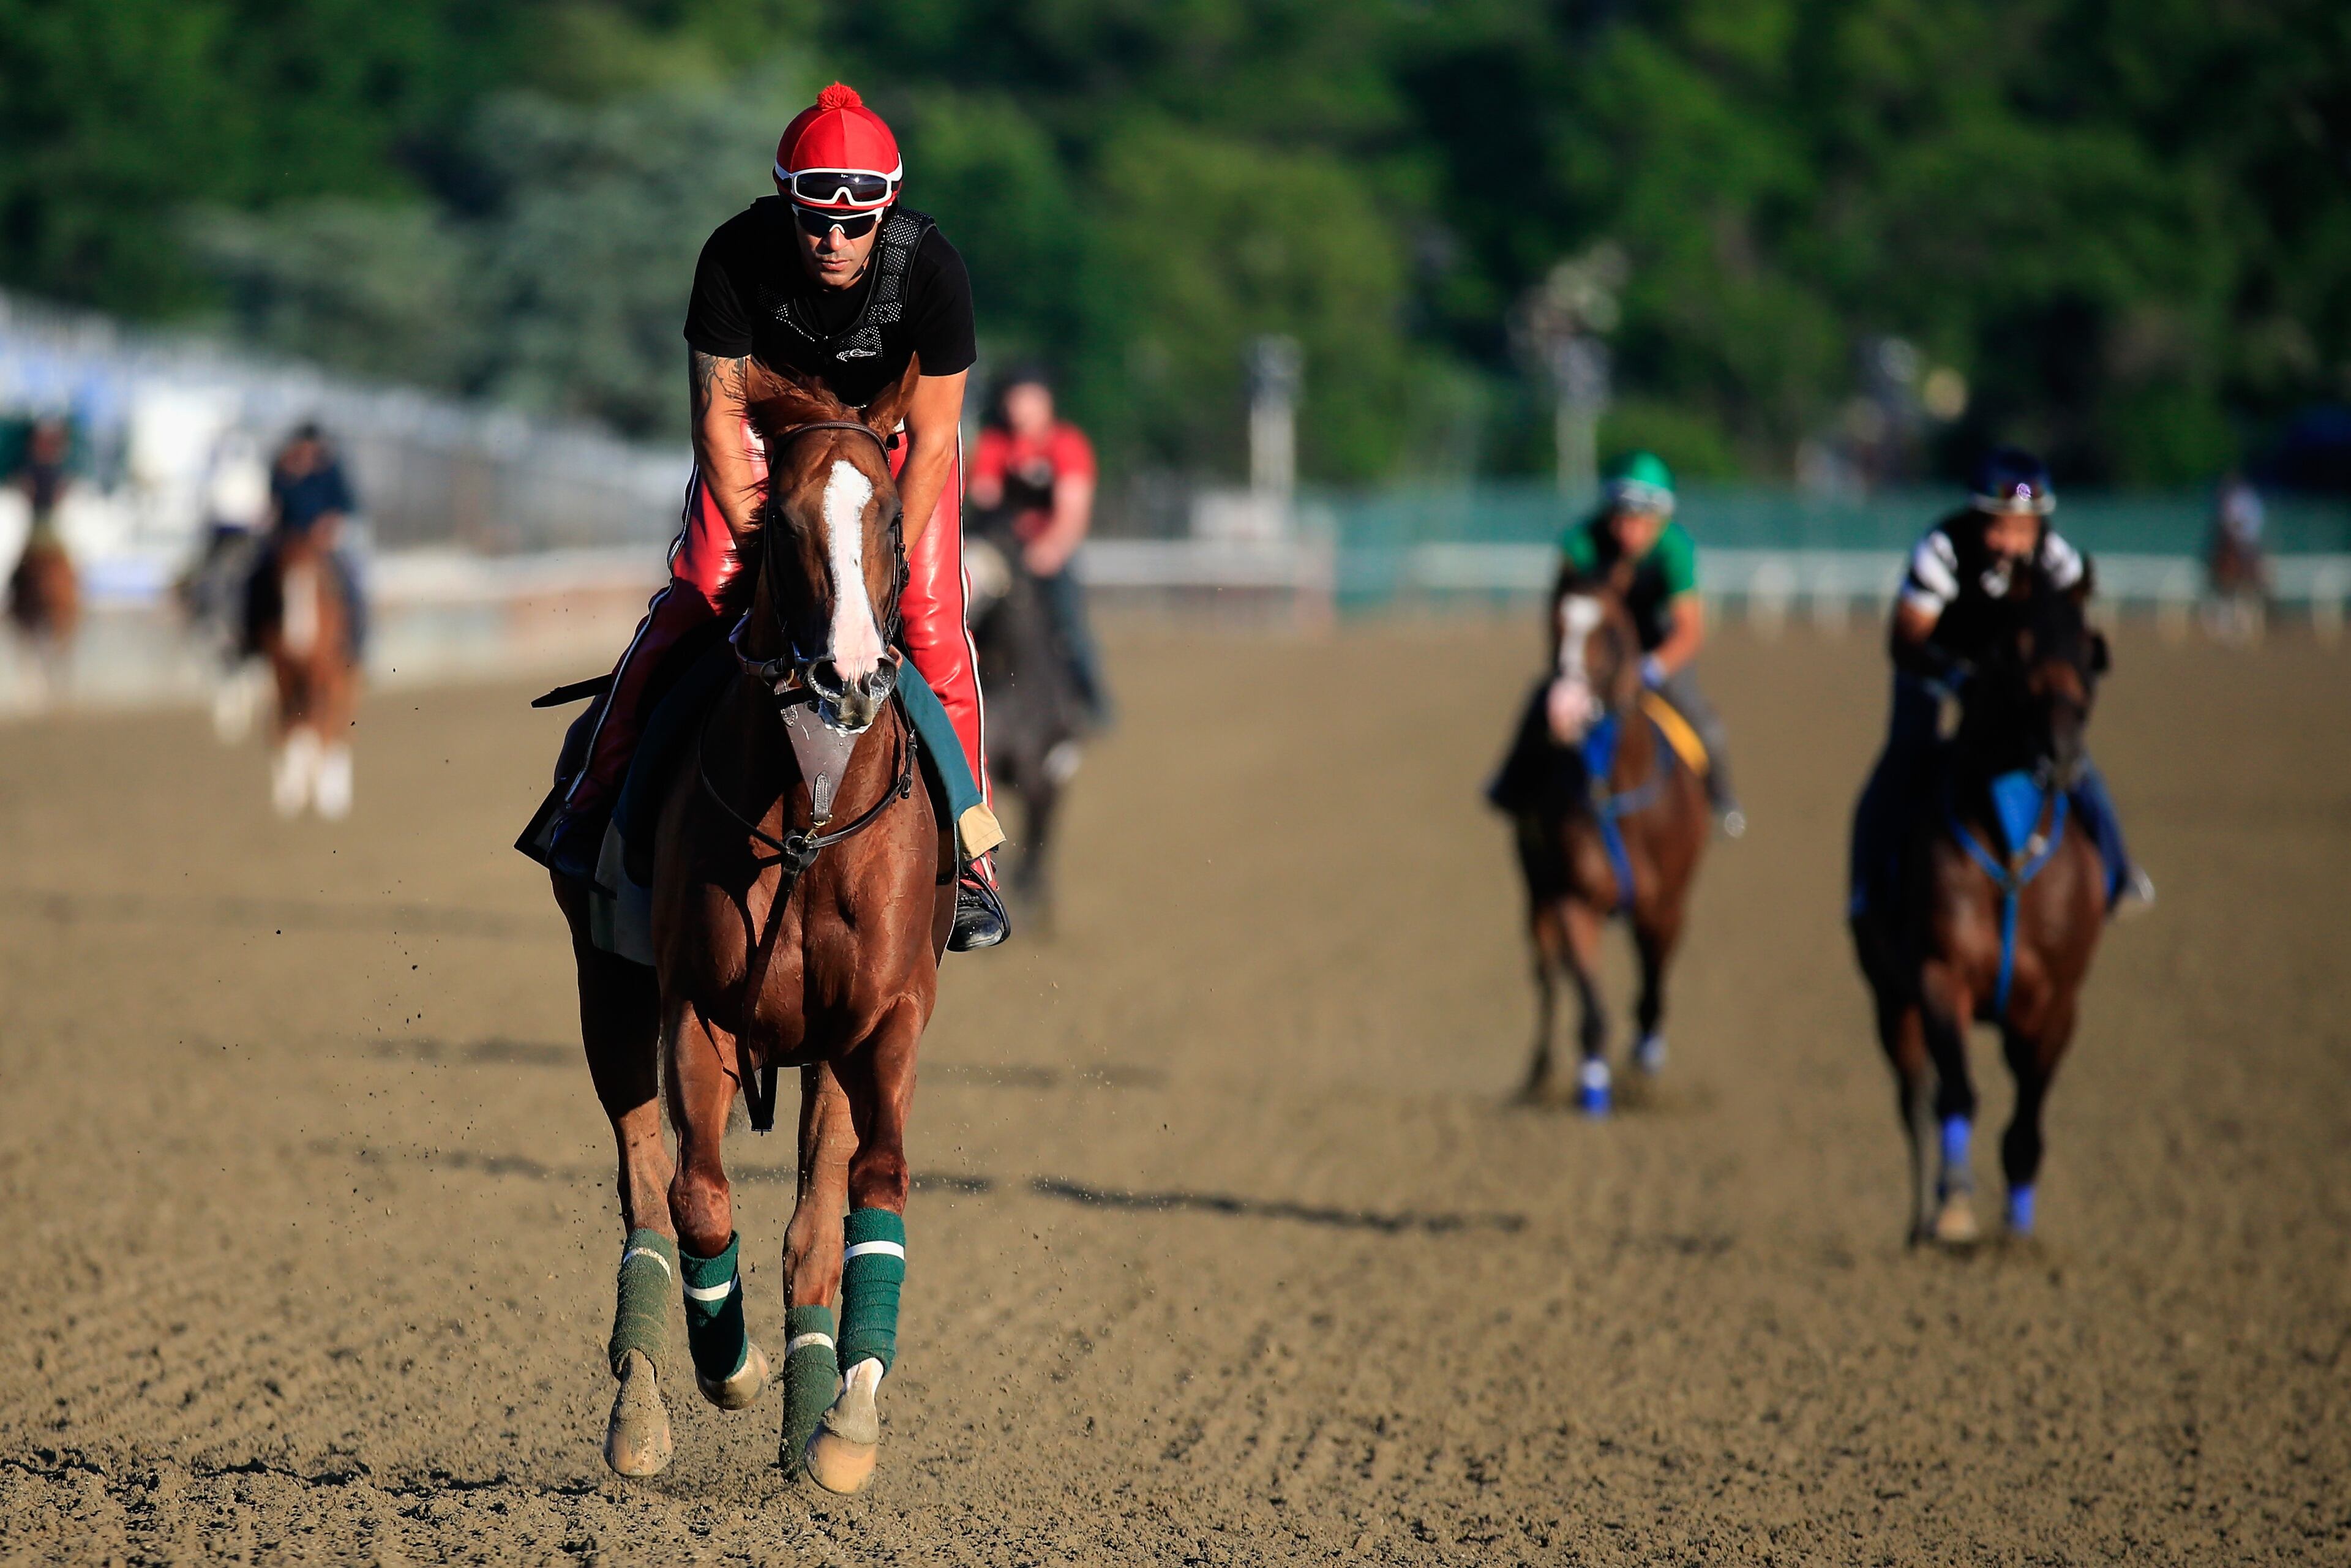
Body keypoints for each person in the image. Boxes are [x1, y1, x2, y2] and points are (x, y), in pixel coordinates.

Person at [541, 82, 1008, 950]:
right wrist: (766, 546)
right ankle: (590, 804)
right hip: (762, 453)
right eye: (815, 220)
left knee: (936, 625)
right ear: (785, 203)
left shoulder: (935, 272)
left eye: (858, 222)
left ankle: (972, 858)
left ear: (888, 211)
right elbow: (717, 418)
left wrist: (881, 566)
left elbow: (938, 441)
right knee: (697, 593)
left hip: (894, 461)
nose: (834, 239)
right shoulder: (731, 255)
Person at [1848, 445, 2153, 920]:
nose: (2011, 543)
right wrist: (1954, 677)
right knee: (1903, 759)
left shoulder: (2057, 559)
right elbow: (1905, 640)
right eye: (1999, 527)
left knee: (2074, 760)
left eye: (2023, 528)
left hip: (2008, 677)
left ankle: (2118, 870)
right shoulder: (1942, 550)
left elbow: (2069, 633)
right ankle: (1872, 883)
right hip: (1936, 666)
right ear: (1975, 519)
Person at [1555, 451, 1744, 836]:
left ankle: (1721, 798)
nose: (1627, 529)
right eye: (1620, 516)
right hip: (1596, 657)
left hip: (1658, 657)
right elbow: (1562, 608)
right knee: (1542, 709)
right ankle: (1513, 785)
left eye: (1640, 519)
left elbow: (1690, 631)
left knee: (1703, 725)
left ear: (1659, 519)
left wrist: (1650, 669)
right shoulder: (1583, 543)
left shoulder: (1675, 550)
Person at [967, 366, 1112, 727]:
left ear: (1046, 402)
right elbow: (982, 498)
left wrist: (1049, 549)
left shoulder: (1067, 444)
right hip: (1001, 553)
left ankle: (1092, 699)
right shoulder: (995, 443)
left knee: (1068, 621)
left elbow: (1072, 514)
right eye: (1013, 399)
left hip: (1049, 552)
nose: (1019, 408)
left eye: (1028, 399)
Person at [244, 422, 367, 659]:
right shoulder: (282, 469)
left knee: (352, 582)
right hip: (286, 543)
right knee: (255, 578)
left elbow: (345, 506)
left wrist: (327, 527)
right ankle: (251, 642)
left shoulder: (330, 470)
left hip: (323, 545)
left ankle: (355, 643)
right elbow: (273, 506)